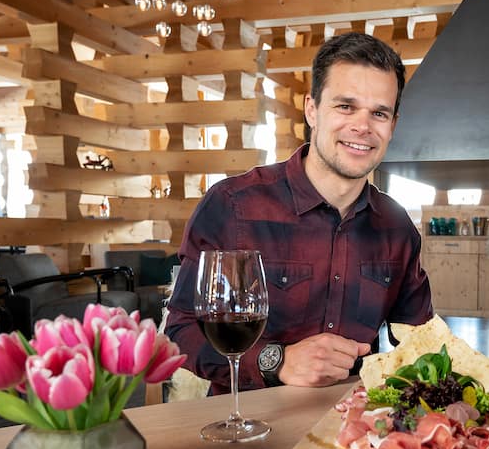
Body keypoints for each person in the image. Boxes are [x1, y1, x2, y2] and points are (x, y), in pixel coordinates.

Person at [165, 32, 433, 394]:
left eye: (379, 113)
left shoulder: (397, 228)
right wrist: (277, 361)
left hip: (354, 433)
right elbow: (182, 331)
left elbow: (420, 342)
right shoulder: (233, 206)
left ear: (393, 125)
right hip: (247, 430)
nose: (363, 127)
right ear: (312, 109)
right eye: (345, 106)